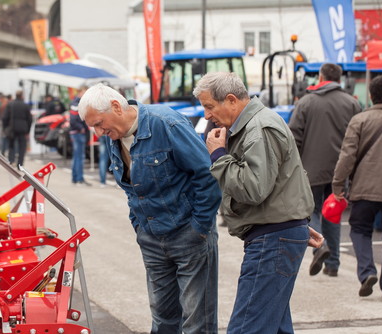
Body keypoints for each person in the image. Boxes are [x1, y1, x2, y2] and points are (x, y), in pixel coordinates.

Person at [78, 83, 222, 334]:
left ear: (116, 107)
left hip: (189, 235)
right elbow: (132, 188)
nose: (99, 132)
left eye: (99, 123)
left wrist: (199, 227)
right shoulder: (116, 138)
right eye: (93, 127)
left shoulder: (165, 124)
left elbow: (207, 175)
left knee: (197, 321)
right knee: (163, 318)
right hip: (153, 239)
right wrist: (139, 226)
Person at [194, 72, 321, 334]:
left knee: (247, 327)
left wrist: (218, 155)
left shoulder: (258, 128)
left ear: (230, 100)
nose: (207, 115)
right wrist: (292, 223)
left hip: (272, 237)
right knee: (274, 326)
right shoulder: (256, 124)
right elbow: (281, 182)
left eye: (209, 106)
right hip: (277, 233)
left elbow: (252, 188)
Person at [289, 63, 362, 277]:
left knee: (310, 210)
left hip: (310, 169)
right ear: (339, 79)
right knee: (333, 212)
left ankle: (320, 246)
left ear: (321, 77)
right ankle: (333, 264)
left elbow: (294, 138)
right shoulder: (352, 104)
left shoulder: (305, 102)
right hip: (341, 169)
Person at [332, 75, 382, 300]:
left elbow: (347, 156)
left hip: (364, 188)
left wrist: (338, 184)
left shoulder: (359, 120)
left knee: (359, 230)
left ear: (370, 95)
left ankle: (367, 271)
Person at [3, 90, 32, 167]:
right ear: (22, 96)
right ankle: (20, 164)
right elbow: (29, 119)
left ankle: (11, 160)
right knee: (22, 147)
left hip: (12, 127)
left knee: (11, 145)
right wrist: (28, 130)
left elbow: (5, 117)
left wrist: (5, 128)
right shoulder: (25, 105)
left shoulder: (10, 104)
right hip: (23, 128)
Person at [69, 88, 90, 185]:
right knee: (79, 156)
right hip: (78, 133)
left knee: (76, 156)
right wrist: (81, 128)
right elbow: (73, 119)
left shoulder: (75, 103)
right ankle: (79, 178)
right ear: (80, 92)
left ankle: (75, 178)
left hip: (76, 132)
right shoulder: (76, 103)